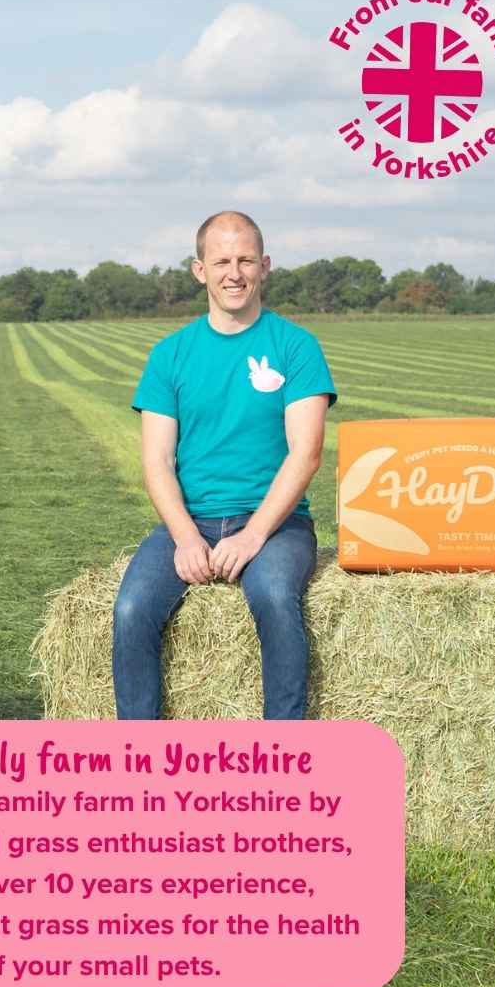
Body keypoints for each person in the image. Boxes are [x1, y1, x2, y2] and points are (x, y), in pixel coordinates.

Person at [113, 211, 336, 720]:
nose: (233, 273)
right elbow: (157, 460)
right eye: (221, 261)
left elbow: (307, 453)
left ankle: (282, 754)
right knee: (131, 610)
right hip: (190, 522)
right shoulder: (170, 355)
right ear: (199, 270)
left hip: (277, 524)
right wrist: (187, 537)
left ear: (266, 266)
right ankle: (136, 759)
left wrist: (255, 535)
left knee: (275, 597)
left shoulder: (296, 347)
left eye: (245, 260)